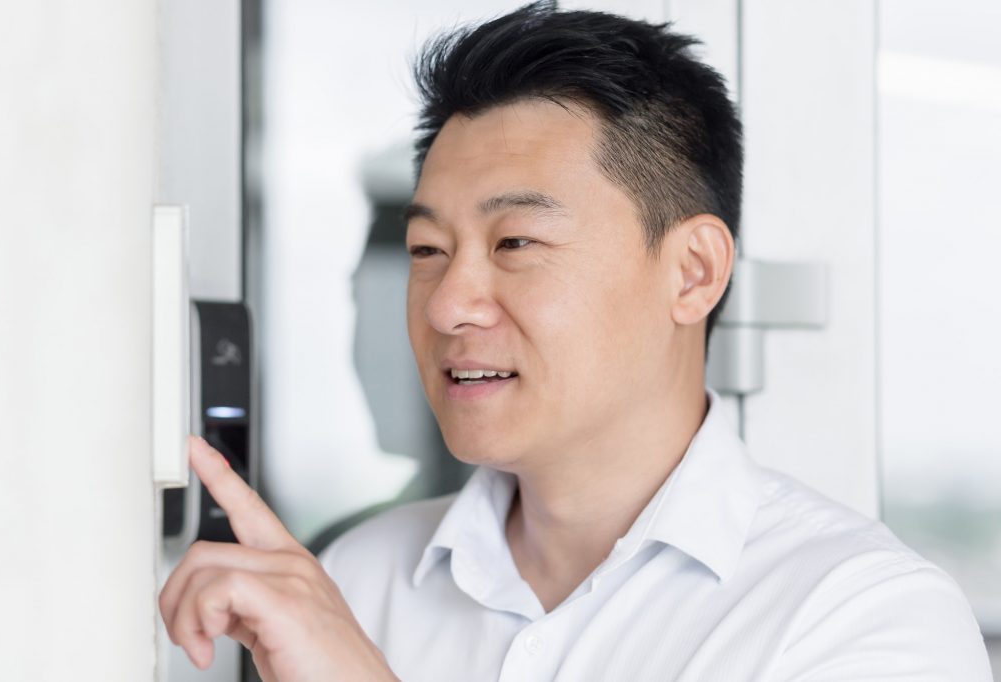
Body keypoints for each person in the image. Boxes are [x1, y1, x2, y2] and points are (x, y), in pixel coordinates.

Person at [159, 3, 993, 680]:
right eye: (427, 252)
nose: (449, 303)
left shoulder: (859, 618)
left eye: (515, 243)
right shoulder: (360, 577)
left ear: (693, 271)